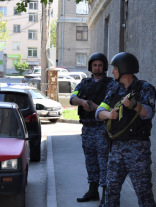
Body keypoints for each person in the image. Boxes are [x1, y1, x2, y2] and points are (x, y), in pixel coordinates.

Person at [96, 52, 156, 207]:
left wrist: (133, 105)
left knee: (143, 192)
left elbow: (148, 113)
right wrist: (109, 114)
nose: (112, 72)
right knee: (111, 191)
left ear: (124, 69)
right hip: (116, 148)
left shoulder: (144, 88)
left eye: (115, 68)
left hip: (137, 149)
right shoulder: (114, 90)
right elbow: (98, 113)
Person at [70, 53, 116, 206]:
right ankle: (92, 191)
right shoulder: (84, 83)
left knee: (104, 163)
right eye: (95, 65)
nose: (97, 68)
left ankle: (106, 195)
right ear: (91, 67)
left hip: (101, 128)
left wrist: (95, 107)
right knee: (90, 161)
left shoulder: (111, 84)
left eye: (100, 65)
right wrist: (83, 102)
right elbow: (72, 98)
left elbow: (112, 104)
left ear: (104, 67)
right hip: (87, 128)